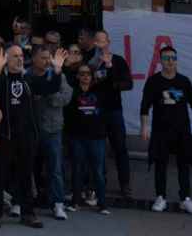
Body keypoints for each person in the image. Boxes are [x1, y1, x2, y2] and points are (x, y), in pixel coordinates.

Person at [0, 44, 65, 229]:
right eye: (15, 56)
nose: (20, 59)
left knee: (25, 175)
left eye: (21, 55)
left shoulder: (29, 79)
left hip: (27, 136)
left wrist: (57, 69)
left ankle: (28, 214)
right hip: (4, 135)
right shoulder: (0, 79)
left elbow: (50, 87)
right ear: (5, 59)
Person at [140, 45, 192, 215]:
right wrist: (145, 126)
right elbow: (145, 107)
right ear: (160, 61)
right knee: (160, 164)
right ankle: (160, 197)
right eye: (166, 58)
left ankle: (185, 199)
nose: (170, 61)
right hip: (161, 131)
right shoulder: (153, 81)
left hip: (182, 131)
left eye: (173, 58)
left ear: (176, 61)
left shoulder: (184, 81)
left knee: (184, 165)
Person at [87, 29, 133, 198]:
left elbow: (128, 84)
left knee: (120, 148)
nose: (100, 45)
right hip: (95, 111)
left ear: (108, 42)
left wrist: (109, 68)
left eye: (102, 41)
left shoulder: (118, 61)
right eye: (97, 42)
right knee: (96, 150)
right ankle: (98, 183)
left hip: (113, 110)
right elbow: (85, 84)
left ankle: (125, 184)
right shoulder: (90, 63)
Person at [30, 46, 72, 220]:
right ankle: (22, 202)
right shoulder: (27, 75)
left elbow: (67, 96)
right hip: (32, 128)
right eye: (43, 58)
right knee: (27, 167)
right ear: (34, 59)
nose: (47, 61)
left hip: (53, 129)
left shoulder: (58, 75)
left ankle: (58, 204)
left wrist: (48, 95)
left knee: (55, 168)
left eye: (49, 57)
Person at [67, 64, 110, 215]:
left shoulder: (100, 91)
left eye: (88, 74)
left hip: (96, 137)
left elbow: (110, 81)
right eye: (82, 73)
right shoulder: (72, 91)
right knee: (77, 170)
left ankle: (102, 204)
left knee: (98, 171)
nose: (85, 76)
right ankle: (75, 202)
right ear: (77, 76)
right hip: (77, 137)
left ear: (92, 76)